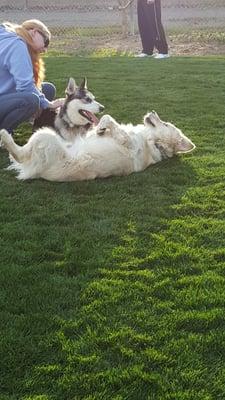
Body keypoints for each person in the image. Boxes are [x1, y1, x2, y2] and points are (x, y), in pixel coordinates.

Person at [0, 19, 64, 134]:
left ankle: (40, 129)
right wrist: (50, 104)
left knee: (48, 89)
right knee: (31, 100)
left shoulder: (8, 36)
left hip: (3, 95)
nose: (45, 49)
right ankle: (4, 134)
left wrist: (43, 100)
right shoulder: (16, 45)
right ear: (34, 32)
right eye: (45, 42)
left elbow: (27, 83)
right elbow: (25, 86)